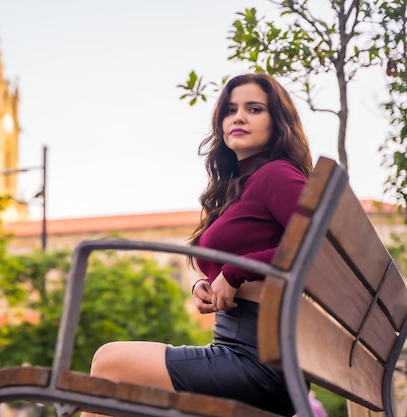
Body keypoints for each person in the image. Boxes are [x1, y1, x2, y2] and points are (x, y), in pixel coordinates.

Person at [67, 73, 314, 417]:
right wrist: (208, 283)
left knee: (109, 361)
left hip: (260, 361)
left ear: (278, 121)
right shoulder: (242, 187)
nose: (238, 117)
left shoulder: (277, 174)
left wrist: (235, 272)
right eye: (230, 110)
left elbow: (317, 248)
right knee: (116, 392)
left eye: (254, 109)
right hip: (244, 353)